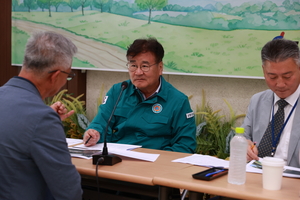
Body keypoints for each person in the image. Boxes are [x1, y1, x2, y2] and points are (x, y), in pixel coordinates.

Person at [0, 31, 82, 199]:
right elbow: (68, 191)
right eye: (69, 75)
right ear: (56, 76)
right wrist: (45, 124)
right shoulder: (42, 119)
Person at [84, 38, 196, 153]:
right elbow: (100, 123)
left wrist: (159, 161)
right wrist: (94, 132)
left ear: (160, 68)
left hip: (155, 164)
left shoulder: (178, 101)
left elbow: (185, 146)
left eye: (144, 66)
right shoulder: (119, 91)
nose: (138, 72)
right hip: (118, 160)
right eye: (133, 66)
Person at [243, 38, 300, 168]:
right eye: (272, 77)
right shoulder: (257, 101)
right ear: (264, 71)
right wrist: (243, 144)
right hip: (257, 177)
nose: (280, 84)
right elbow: (243, 135)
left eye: (287, 76)